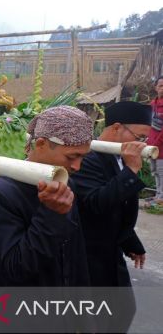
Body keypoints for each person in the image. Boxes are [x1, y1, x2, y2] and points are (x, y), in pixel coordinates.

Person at [0, 106, 93, 287]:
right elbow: (16, 268)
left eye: (83, 157)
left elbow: (75, 253)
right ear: (41, 144)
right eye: (72, 156)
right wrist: (52, 214)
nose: (77, 166)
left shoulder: (65, 182)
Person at [71, 101, 151, 332]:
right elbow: (98, 203)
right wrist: (132, 171)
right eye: (139, 136)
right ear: (117, 127)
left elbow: (120, 208)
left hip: (111, 249)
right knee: (97, 320)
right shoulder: (87, 157)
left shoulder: (119, 157)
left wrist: (130, 242)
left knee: (123, 310)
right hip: (89, 254)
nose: (141, 144)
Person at [147, 76, 163, 203]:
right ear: (156, 88)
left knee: (162, 171)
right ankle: (158, 195)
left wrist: (157, 143)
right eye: (161, 86)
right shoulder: (152, 105)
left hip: (161, 147)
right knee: (155, 171)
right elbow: (147, 126)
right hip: (151, 146)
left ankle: (161, 197)